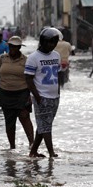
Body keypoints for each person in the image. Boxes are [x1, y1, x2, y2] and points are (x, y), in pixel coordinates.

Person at [0, 36, 34, 149]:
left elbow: (30, 79)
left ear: (19, 48)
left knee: (24, 117)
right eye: (11, 46)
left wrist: (30, 95)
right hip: (5, 93)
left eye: (15, 47)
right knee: (9, 122)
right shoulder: (2, 58)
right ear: (8, 46)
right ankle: (12, 147)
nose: (13, 49)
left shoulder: (25, 60)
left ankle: (32, 144)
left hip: (22, 93)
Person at [25, 27, 62, 158]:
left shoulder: (56, 55)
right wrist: (37, 96)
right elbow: (28, 79)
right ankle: (51, 153)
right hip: (42, 97)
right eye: (50, 42)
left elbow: (58, 74)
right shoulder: (33, 58)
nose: (52, 45)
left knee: (44, 125)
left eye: (55, 43)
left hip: (54, 97)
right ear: (43, 42)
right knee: (46, 127)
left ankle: (33, 151)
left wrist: (58, 92)